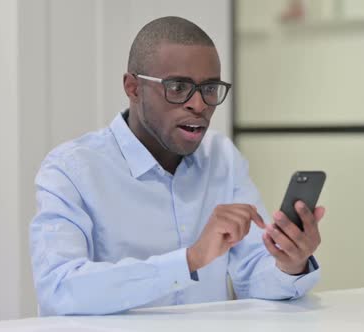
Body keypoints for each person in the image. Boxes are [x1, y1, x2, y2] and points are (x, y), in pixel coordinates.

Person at [30, 16, 325, 316]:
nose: (198, 104)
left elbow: (254, 276)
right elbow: (59, 288)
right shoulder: (72, 169)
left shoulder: (222, 157)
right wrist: (189, 260)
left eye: (209, 89)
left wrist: (290, 264)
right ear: (133, 88)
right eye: (177, 87)